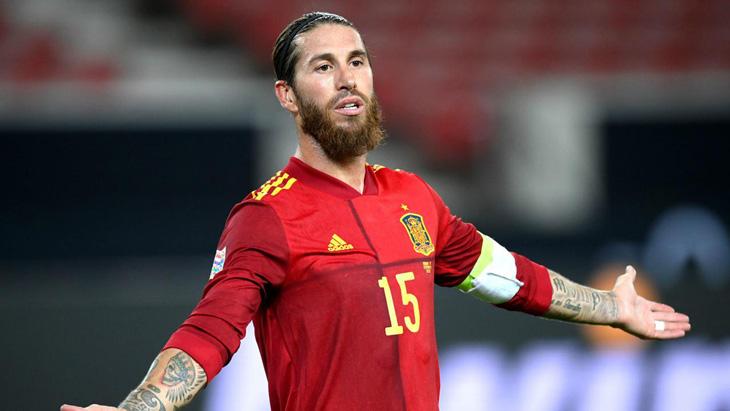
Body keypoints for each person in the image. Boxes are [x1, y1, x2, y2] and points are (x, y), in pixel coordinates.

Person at [61, 12, 691, 411]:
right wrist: (139, 407)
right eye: (323, 66)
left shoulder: (414, 197)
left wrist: (613, 309)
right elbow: (211, 332)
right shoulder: (266, 217)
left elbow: (506, 277)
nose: (347, 79)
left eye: (357, 62)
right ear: (287, 95)